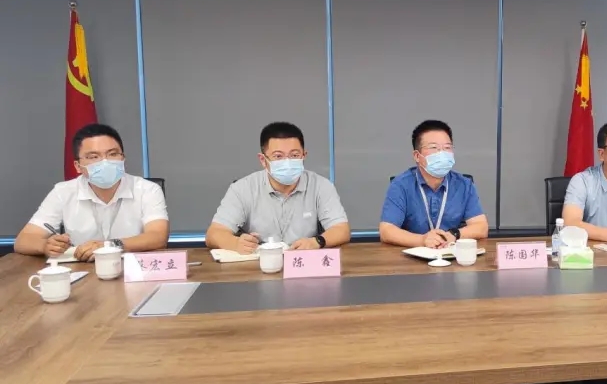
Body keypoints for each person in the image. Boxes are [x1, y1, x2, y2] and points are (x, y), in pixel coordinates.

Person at [14, 122, 169, 260]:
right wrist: (45, 245)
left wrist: (109, 245)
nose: (105, 162)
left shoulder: (147, 189)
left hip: (133, 269)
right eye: (94, 156)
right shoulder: (63, 192)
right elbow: (23, 240)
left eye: (113, 154)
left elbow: (158, 237)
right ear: (78, 166)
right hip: (81, 269)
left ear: (123, 159)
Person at [205, 122, 350, 252]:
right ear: (263, 160)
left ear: (304, 155)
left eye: (294, 155)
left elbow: (341, 230)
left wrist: (317, 242)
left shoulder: (321, 186)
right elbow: (214, 234)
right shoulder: (242, 189)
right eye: (278, 156)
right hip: (258, 265)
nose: (287, 162)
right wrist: (236, 243)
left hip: (303, 263)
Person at [379, 120, 489, 248]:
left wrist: (454, 234)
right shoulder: (401, 185)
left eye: (447, 148)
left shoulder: (464, 185)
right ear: (417, 156)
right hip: (413, 255)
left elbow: (481, 227)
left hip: (451, 254)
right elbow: (386, 231)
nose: (442, 154)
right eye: (434, 148)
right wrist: (422, 240)